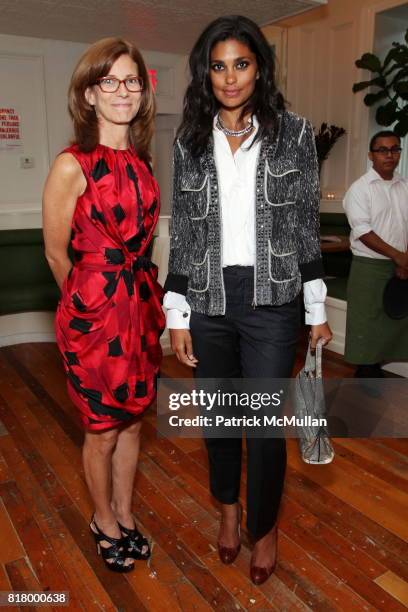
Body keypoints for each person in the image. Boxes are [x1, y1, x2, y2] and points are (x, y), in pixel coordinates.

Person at [163, 15, 332, 585]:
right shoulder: (189, 140)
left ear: (259, 68)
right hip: (209, 299)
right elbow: (184, 232)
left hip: (273, 300)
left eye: (241, 63)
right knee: (219, 420)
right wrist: (176, 313)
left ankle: (265, 526)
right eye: (219, 66)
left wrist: (317, 311)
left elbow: (306, 226)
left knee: (261, 425)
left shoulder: (295, 132)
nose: (230, 77)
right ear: (204, 74)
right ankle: (229, 513)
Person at [43, 37, 165, 572]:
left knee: (134, 423)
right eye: (109, 81)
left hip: (139, 308)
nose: (122, 90)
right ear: (89, 94)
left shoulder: (141, 161)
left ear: (143, 90)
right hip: (96, 313)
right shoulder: (74, 163)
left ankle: (125, 511)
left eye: (131, 80)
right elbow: (54, 252)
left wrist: (135, 300)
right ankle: (102, 520)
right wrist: (89, 307)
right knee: (101, 427)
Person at [343, 130, 408, 377]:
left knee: (394, 320)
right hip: (369, 268)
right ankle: (366, 374)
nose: (389, 155)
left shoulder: (405, 185)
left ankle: (373, 369)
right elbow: (362, 231)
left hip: (401, 266)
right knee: (366, 323)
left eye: (395, 149)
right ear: (371, 155)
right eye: (382, 150)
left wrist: (405, 259)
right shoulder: (360, 189)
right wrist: (397, 256)